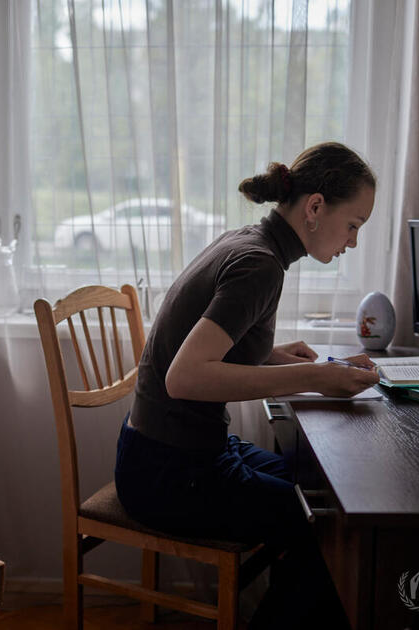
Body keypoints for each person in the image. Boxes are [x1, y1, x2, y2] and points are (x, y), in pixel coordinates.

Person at [114, 141, 380, 628]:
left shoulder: (249, 242)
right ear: (316, 207)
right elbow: (185, 376)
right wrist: (315, 377)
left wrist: (275, 356)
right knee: (320, 526)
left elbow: (206, 349)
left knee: (311, 489)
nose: (353, 241)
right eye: (354, 225)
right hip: (166, 472)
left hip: (165, 452)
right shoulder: (260, 266)